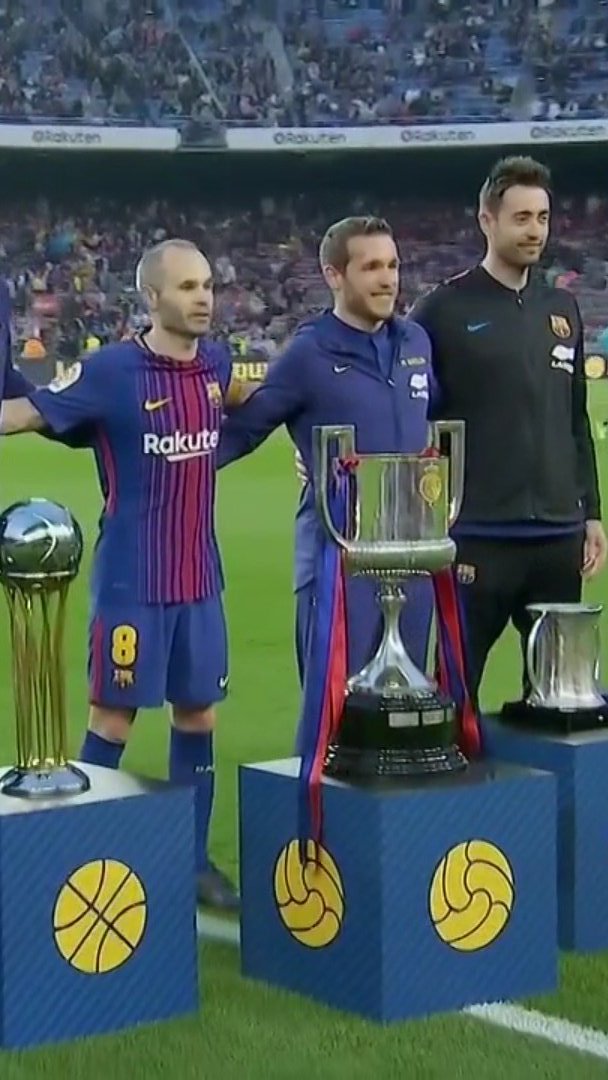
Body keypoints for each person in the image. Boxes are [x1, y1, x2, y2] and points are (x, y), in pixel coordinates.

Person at [0, 238, 255, 912]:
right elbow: (24, 414)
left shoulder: (215, 361)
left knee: (198, 713)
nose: (203, 298)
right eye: (188, 287)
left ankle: (194, 863)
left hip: (199, 579)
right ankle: (76, 861)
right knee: (113, 720)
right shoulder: (110, 372)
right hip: (132, 582)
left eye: (208, 285)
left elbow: (244, 398)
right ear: (151, 297)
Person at [216, 216, 437, 742]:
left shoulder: (415, 341)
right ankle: (314, 799)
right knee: (333, 722)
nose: (388, 279)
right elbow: (242, 433)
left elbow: (438, 414)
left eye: (393, 265)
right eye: (371, 267)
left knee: (406, 708)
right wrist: (162, 461)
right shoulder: (308, 355)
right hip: (338, 565)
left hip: (414, 558)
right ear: (334, 275)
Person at [409, 155, 607, 704]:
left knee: (558, 699)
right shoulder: (442, 310)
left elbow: (575, 418)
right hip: (478, 536)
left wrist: (591, 512)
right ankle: (452, 765)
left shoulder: (561, 307)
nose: (535, 230)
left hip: (557, 539)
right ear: (487, 220)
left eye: (542, 217)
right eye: (521, 218)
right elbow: (403, 403)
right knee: (452, 694)